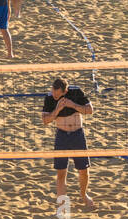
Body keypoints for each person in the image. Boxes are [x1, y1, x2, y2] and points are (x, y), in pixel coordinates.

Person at [41, 77, 96, 211]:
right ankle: (62, 204)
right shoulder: (49, 98)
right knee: (61, 173)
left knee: (84, 171)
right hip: (62, 136)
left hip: (78, 135)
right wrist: (57, 110)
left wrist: (73, 105)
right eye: (53, 92)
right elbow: (45, 120)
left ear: (65, 91)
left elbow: (90, 110)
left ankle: (84, 195)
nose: (55, 95)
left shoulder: (76, 92)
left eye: (58, 93)